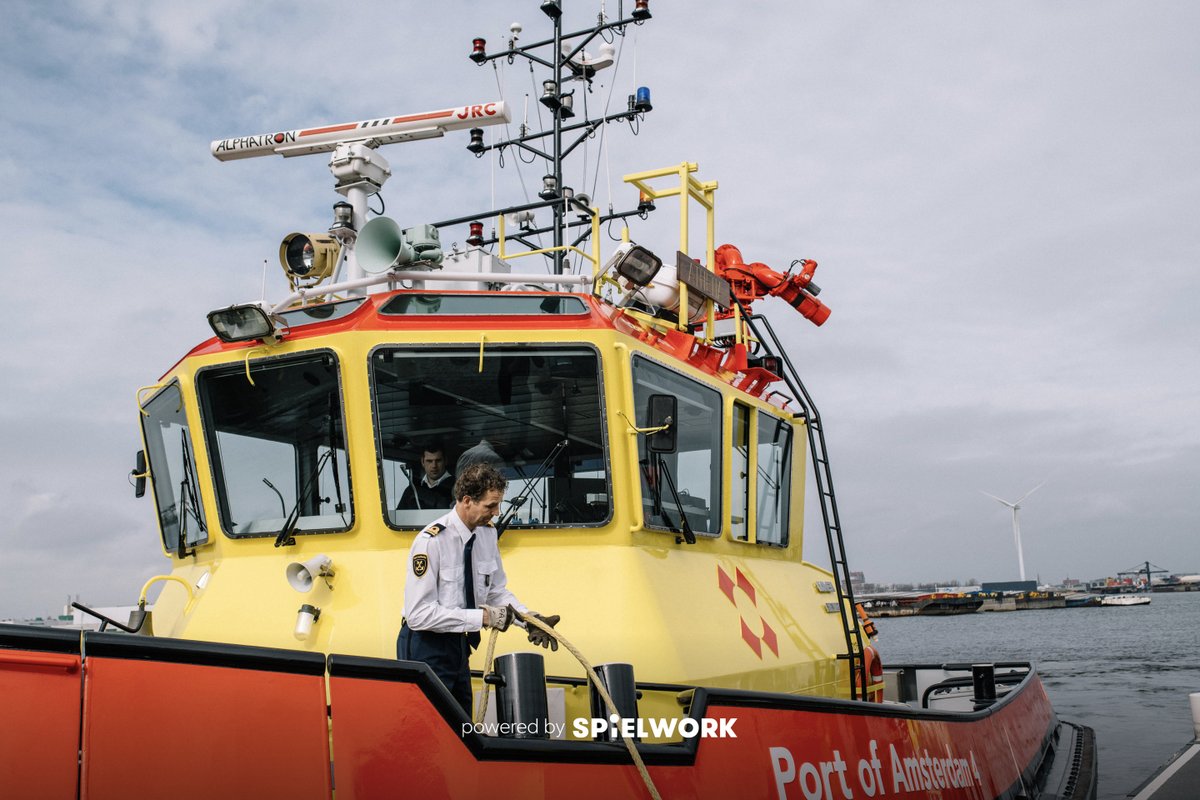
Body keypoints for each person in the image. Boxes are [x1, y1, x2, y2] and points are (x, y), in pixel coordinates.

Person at [398, 462, 560, 714]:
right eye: (490, 506)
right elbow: (418, 614)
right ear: (466, 501)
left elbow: (495, 591)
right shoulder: (431, 542)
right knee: (428, 725)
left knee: (462, 725)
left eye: (498, 505)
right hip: (425, 647)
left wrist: (528, 619)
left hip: (458, 644)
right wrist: (483, 617)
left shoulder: (487, 534)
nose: (496, 512)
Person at [398, 445, 454, 511]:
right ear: (422, 462)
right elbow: (399, 514)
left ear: (445, 461)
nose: (434, 466)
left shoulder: (457, 486)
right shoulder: (412, 490)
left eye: (438, 461)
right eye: (429, 461)